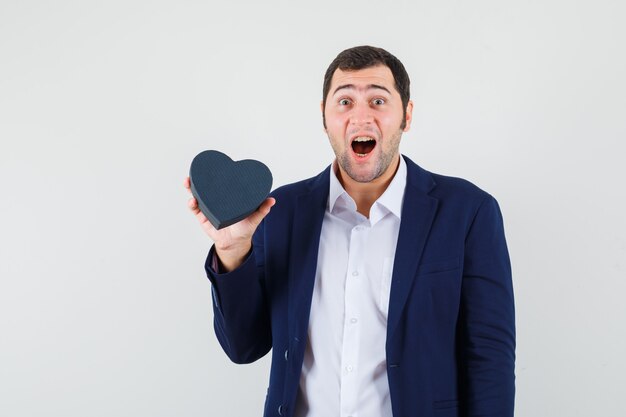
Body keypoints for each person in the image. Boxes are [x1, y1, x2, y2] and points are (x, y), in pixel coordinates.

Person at [185, 45, 515, 417]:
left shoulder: (468, 211)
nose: (361, 116)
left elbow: (489, 358)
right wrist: (233, 251)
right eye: (344, 102)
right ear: (324, 117)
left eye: (378, 100)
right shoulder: (278, 212)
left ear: (406, 115)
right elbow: (243, 347)